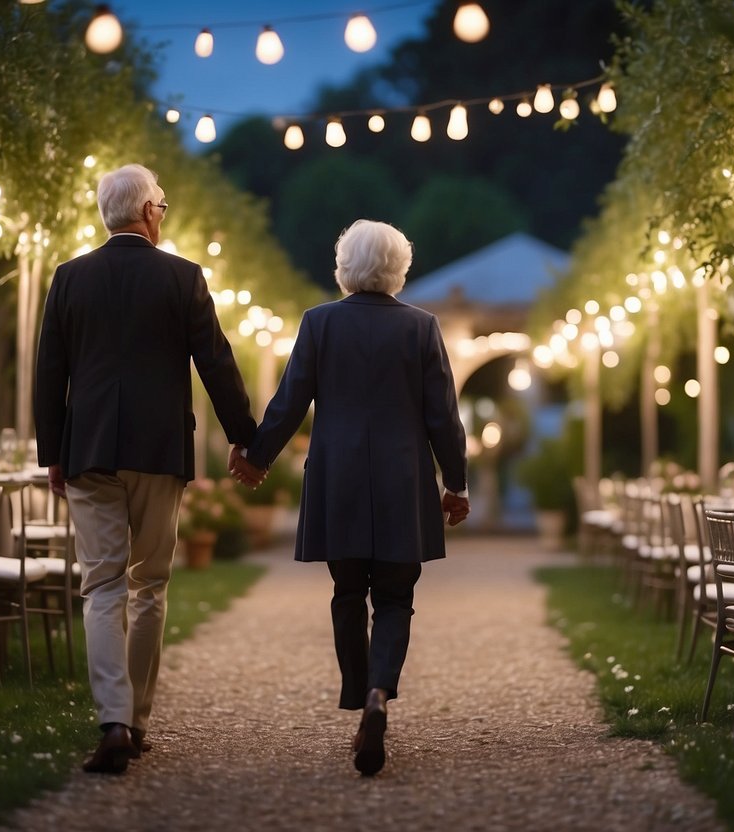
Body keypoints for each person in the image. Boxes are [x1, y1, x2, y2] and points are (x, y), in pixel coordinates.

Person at [35, 163, 258, 775]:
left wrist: (53, 453)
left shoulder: (69, 278)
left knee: (102, 586)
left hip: (90, 451)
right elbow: (215, 362)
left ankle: (113, 719)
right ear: (150, 213)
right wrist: (247, 440)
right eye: (163, 206)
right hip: (159, 453)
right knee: (149, 584)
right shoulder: (182, 278)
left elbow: (49, 371)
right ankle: (134, 721)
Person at [232, 219, 470, 777]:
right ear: (399, 269)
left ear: (344, 268)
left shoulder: (320, 324)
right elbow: (443, 417)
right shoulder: (421, 328)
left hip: (337, 476)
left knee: (347, 590)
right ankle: (378, 696)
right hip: (402, 480)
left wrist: (256, 456)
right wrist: (455, 484)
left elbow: (290, 401)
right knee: (394, 597)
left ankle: (357, 690)